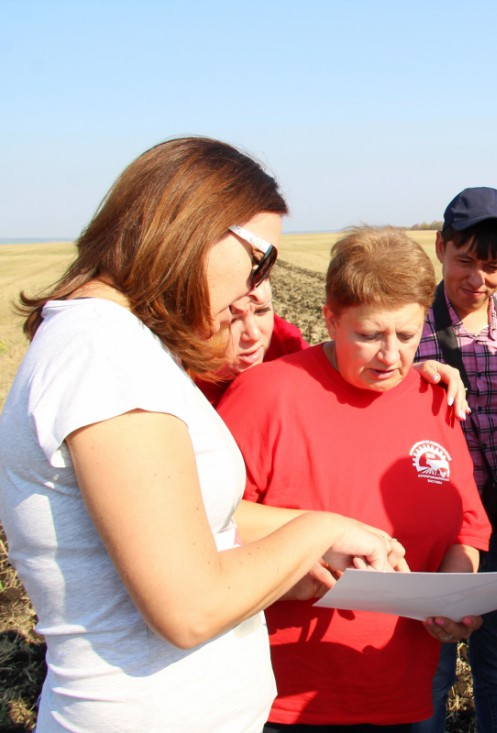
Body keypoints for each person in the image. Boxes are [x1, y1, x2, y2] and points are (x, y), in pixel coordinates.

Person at [0, 137, 404, 733]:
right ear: (196, 228)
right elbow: (188, 608)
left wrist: (330, 532)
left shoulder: (116, 346)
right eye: (259, 259)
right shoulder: (107, 358)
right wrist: (319, 528)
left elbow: (187, 518)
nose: (254, 285)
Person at [218, 227, 493, 731]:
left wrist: (456, 592)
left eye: (407, 336)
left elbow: (468, 527)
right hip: (284, 699)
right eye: (369, 335)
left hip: (408, 692)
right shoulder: (266, 395)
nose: (391, 356)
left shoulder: (435, 399)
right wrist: (305, 548)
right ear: (330, 318)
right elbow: (205, 520)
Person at [411, 187, 497, 733]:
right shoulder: (409, 328)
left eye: (492, 266)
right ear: (440, 247)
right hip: (430, 529)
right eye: (464, 261)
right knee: (429, 671)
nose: (476, 280)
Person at [194, 279, 467, 410]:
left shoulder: (284, 342)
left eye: (262, 310)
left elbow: (327, 377)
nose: (253, 334)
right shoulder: (169, 378)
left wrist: (406, 375)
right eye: (232, 316)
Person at [195, 279, 309, 404]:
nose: (254, 335)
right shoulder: (178, 379)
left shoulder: (287, 347)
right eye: (232, 319)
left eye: (262, 311)